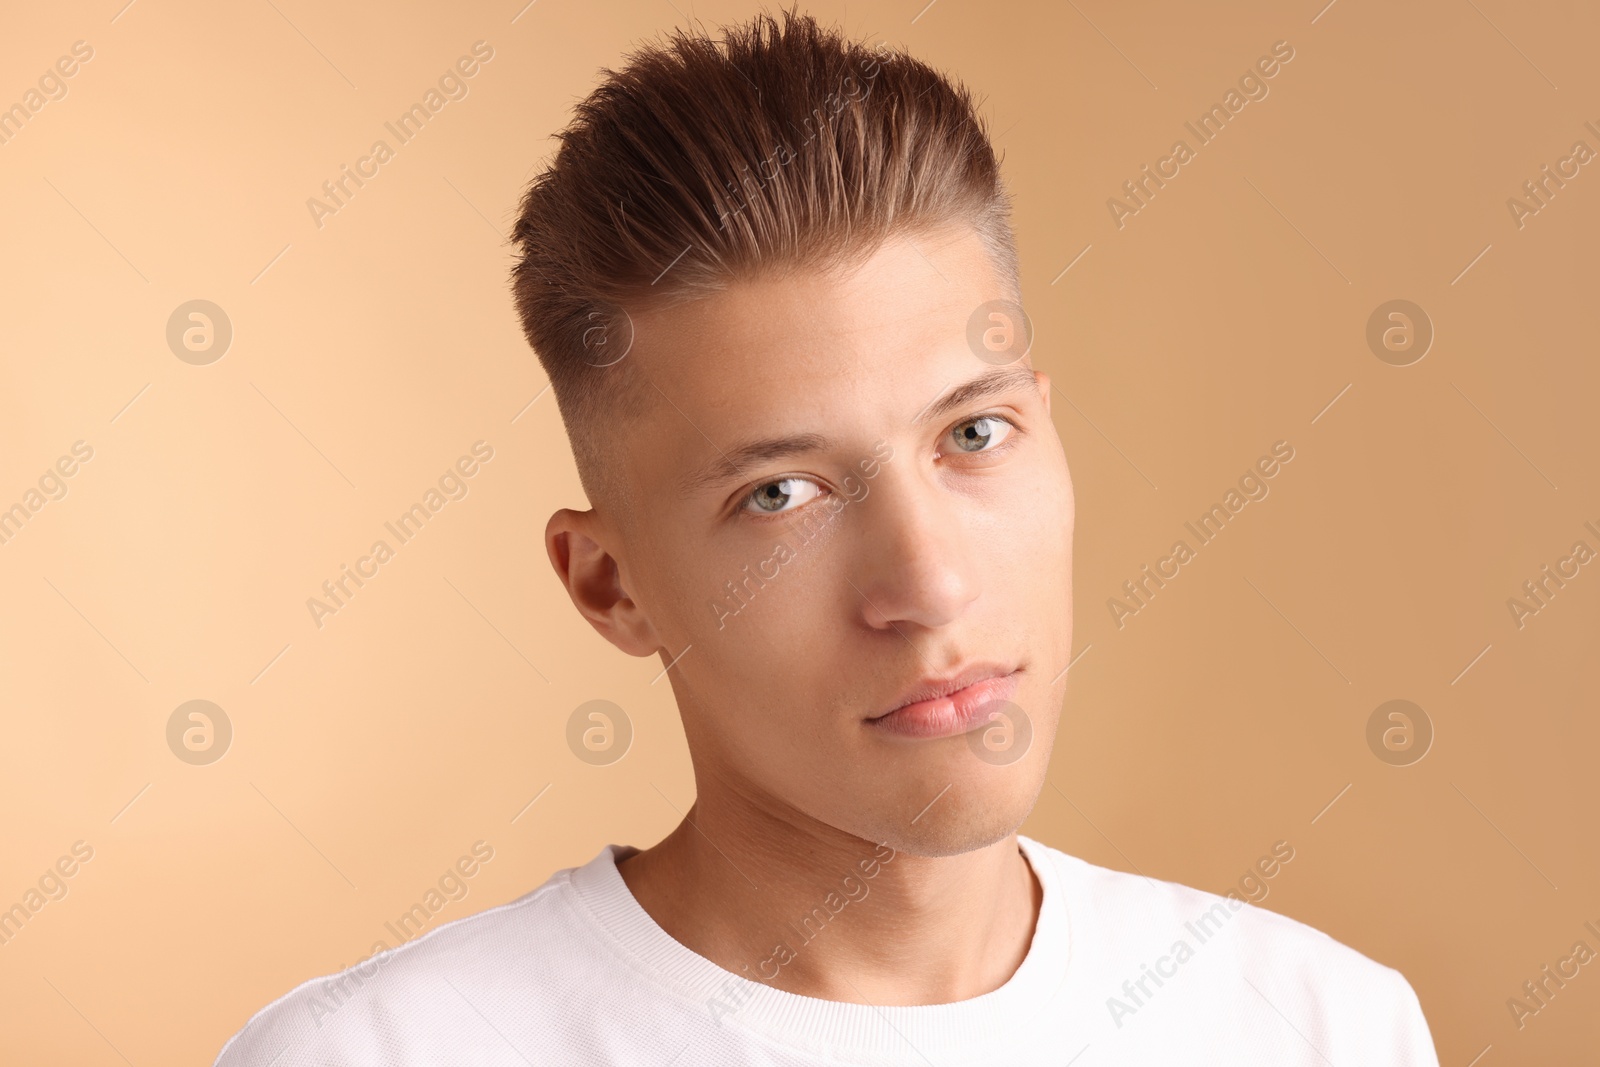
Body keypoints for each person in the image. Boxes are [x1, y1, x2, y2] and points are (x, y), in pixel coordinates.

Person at [215, 7, 1439, 1064]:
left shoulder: (1319, 1026)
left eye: (973, 434)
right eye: (780, 495)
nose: (930, 581)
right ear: (611, 586)